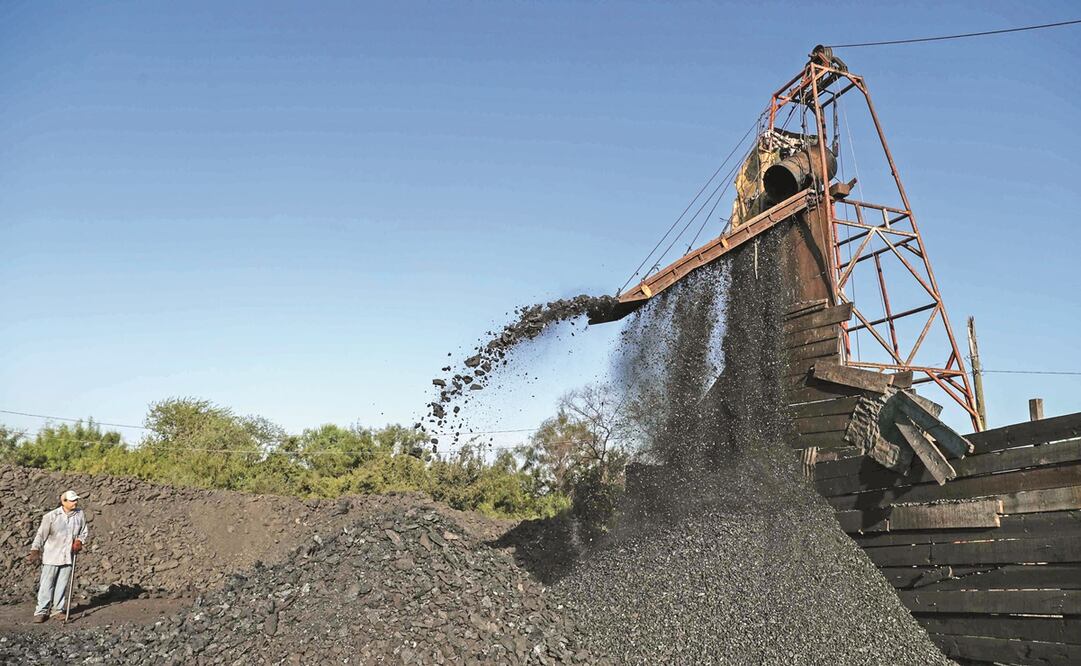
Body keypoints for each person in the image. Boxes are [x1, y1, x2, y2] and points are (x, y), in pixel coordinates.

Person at [27, 489, 88, 623]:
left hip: (68, 556)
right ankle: (41, 611)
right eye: (72, 500)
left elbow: (83, 531)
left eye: (76, 500)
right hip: (52, 556)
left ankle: (57, 610)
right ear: (63, 501)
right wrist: (35, 549)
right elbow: (41, 534)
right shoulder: (51, 516)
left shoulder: (79, 515)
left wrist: (79, 541)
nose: (75, 502)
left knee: (62, 585)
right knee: (47, 585)